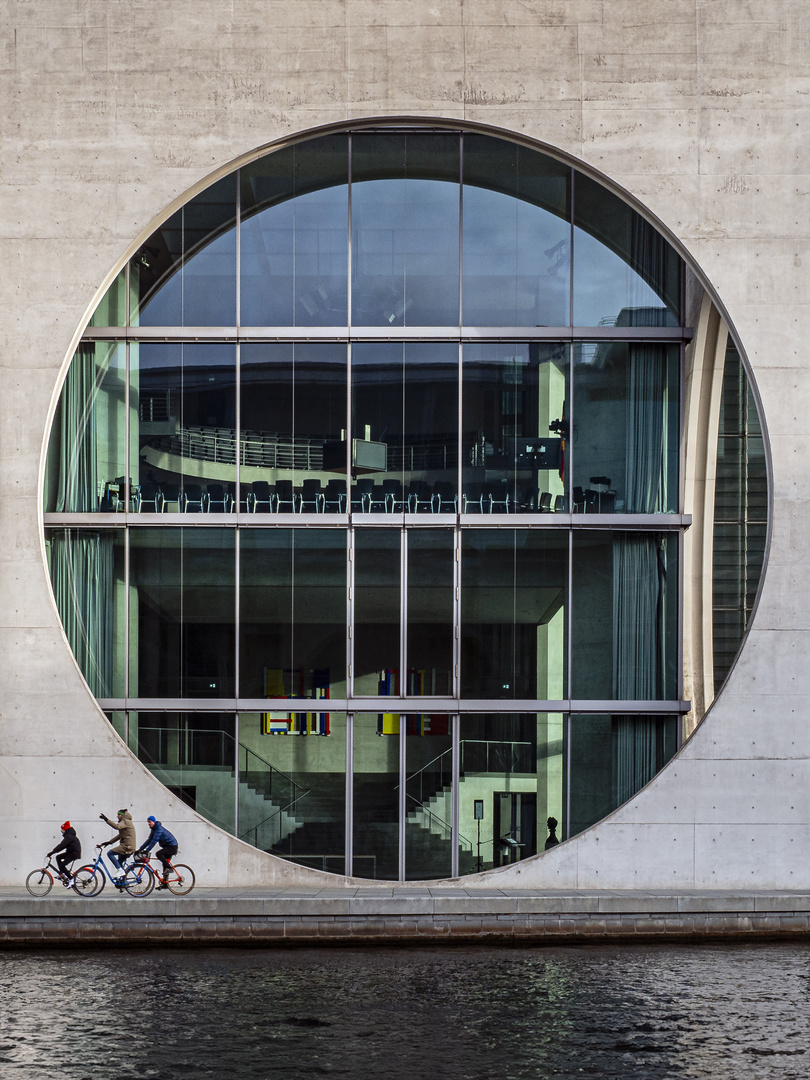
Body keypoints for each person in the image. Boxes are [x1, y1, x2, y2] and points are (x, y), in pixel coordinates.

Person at [136, 816, 178, 890]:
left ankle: (170, 868)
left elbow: (154, 841)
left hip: (172, 846)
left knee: (158, 854)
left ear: (154, 822)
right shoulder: (153, 829)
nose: (148, 823)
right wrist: (140, 849)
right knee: (164, 864)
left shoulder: (159, 829)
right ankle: (165, 884)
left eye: (150, 822)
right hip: (167, 846)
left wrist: (147, 850)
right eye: (148, 822)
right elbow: (149, 840)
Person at [99, 808, 137, 882]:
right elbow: (120, 835)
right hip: (127, 845)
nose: (117, 816)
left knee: (110, 853)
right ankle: (124, 882)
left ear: (122, 815)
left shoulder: (126, 821)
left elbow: (117, 827)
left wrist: (106, 819)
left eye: (119, 815)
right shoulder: (125, 822)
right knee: (119, 864)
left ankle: (121, 872)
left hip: (127, 846)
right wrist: (109, 842)